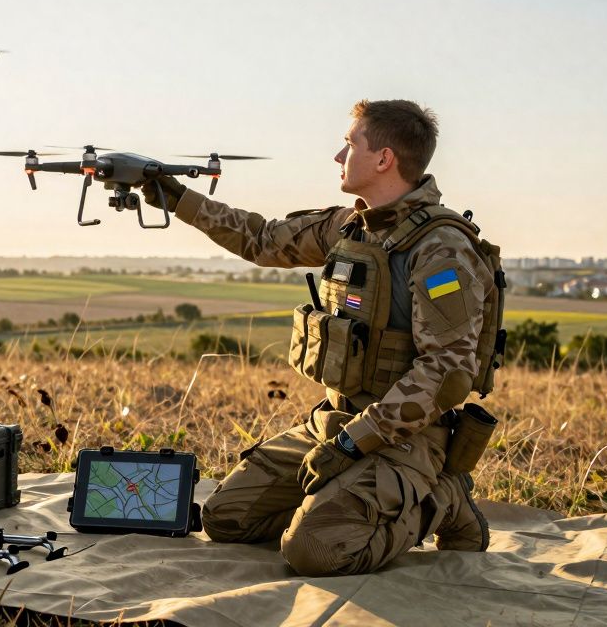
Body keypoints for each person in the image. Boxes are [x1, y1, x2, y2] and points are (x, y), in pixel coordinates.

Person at [142, 99, 499, 576]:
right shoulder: (348, 226)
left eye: (349, 144)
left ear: (384, 159)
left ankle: (441, 498)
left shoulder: (441, 250)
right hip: (334, 423)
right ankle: (346, 500)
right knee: (224, 519)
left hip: (405, 438)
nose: (338, 157)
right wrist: (177, 198)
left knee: (315, 552)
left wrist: (353, 445)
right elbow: (263, 239)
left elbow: (446, 374)